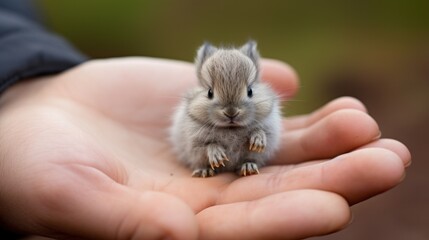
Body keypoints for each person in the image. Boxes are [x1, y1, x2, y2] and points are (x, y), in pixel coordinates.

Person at [0, 1, 411, 240]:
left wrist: (255, 148)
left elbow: (265, 135)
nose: (231, 111)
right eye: (215, 98)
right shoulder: (193, 114)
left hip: (250, 158)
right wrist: (209, 152)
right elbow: (193, 140)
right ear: (201, 85)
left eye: (246, 96)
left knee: (259, 141)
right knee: (202, 145)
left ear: (256, 84)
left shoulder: (262, 107)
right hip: (202, 157)